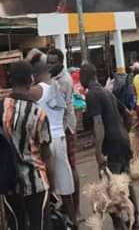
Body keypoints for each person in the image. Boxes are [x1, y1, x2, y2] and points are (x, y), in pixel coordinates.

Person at [81, 63, 139, 230]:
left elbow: (98, 125)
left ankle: (119, 225)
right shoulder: (108, 93)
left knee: (110, 189)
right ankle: (135, 220)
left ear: (87, 77)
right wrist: (124, 133)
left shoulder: (92, 95)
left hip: (111, 145)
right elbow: (128, 115)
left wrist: (98, 152)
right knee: (125, 183)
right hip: (122, 141)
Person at [3, 60, 52, 230]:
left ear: (11, 81)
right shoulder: (38, 112)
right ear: (31, 80)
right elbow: (46, 153)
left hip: (8, 184)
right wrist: (50, 185)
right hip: (36, 182)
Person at [34, 64, 76, 227]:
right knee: (65, 186)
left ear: (36, 76)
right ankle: (72, 222)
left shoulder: (38, 90)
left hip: (47, 141)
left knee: (47, 187)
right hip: (60, 137)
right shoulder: (58, 87)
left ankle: (52, 221)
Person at [46, 48, 81, 217]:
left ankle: (75, 207)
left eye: (52, 63)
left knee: (70, 167)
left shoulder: (63, 81)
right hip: (61, 125)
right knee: (65, 166)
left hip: (66, 126)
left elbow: (59, 107)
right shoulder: (55, 78)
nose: (49, 65)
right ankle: (70, 206)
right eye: (48, 62)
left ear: (60, 62)